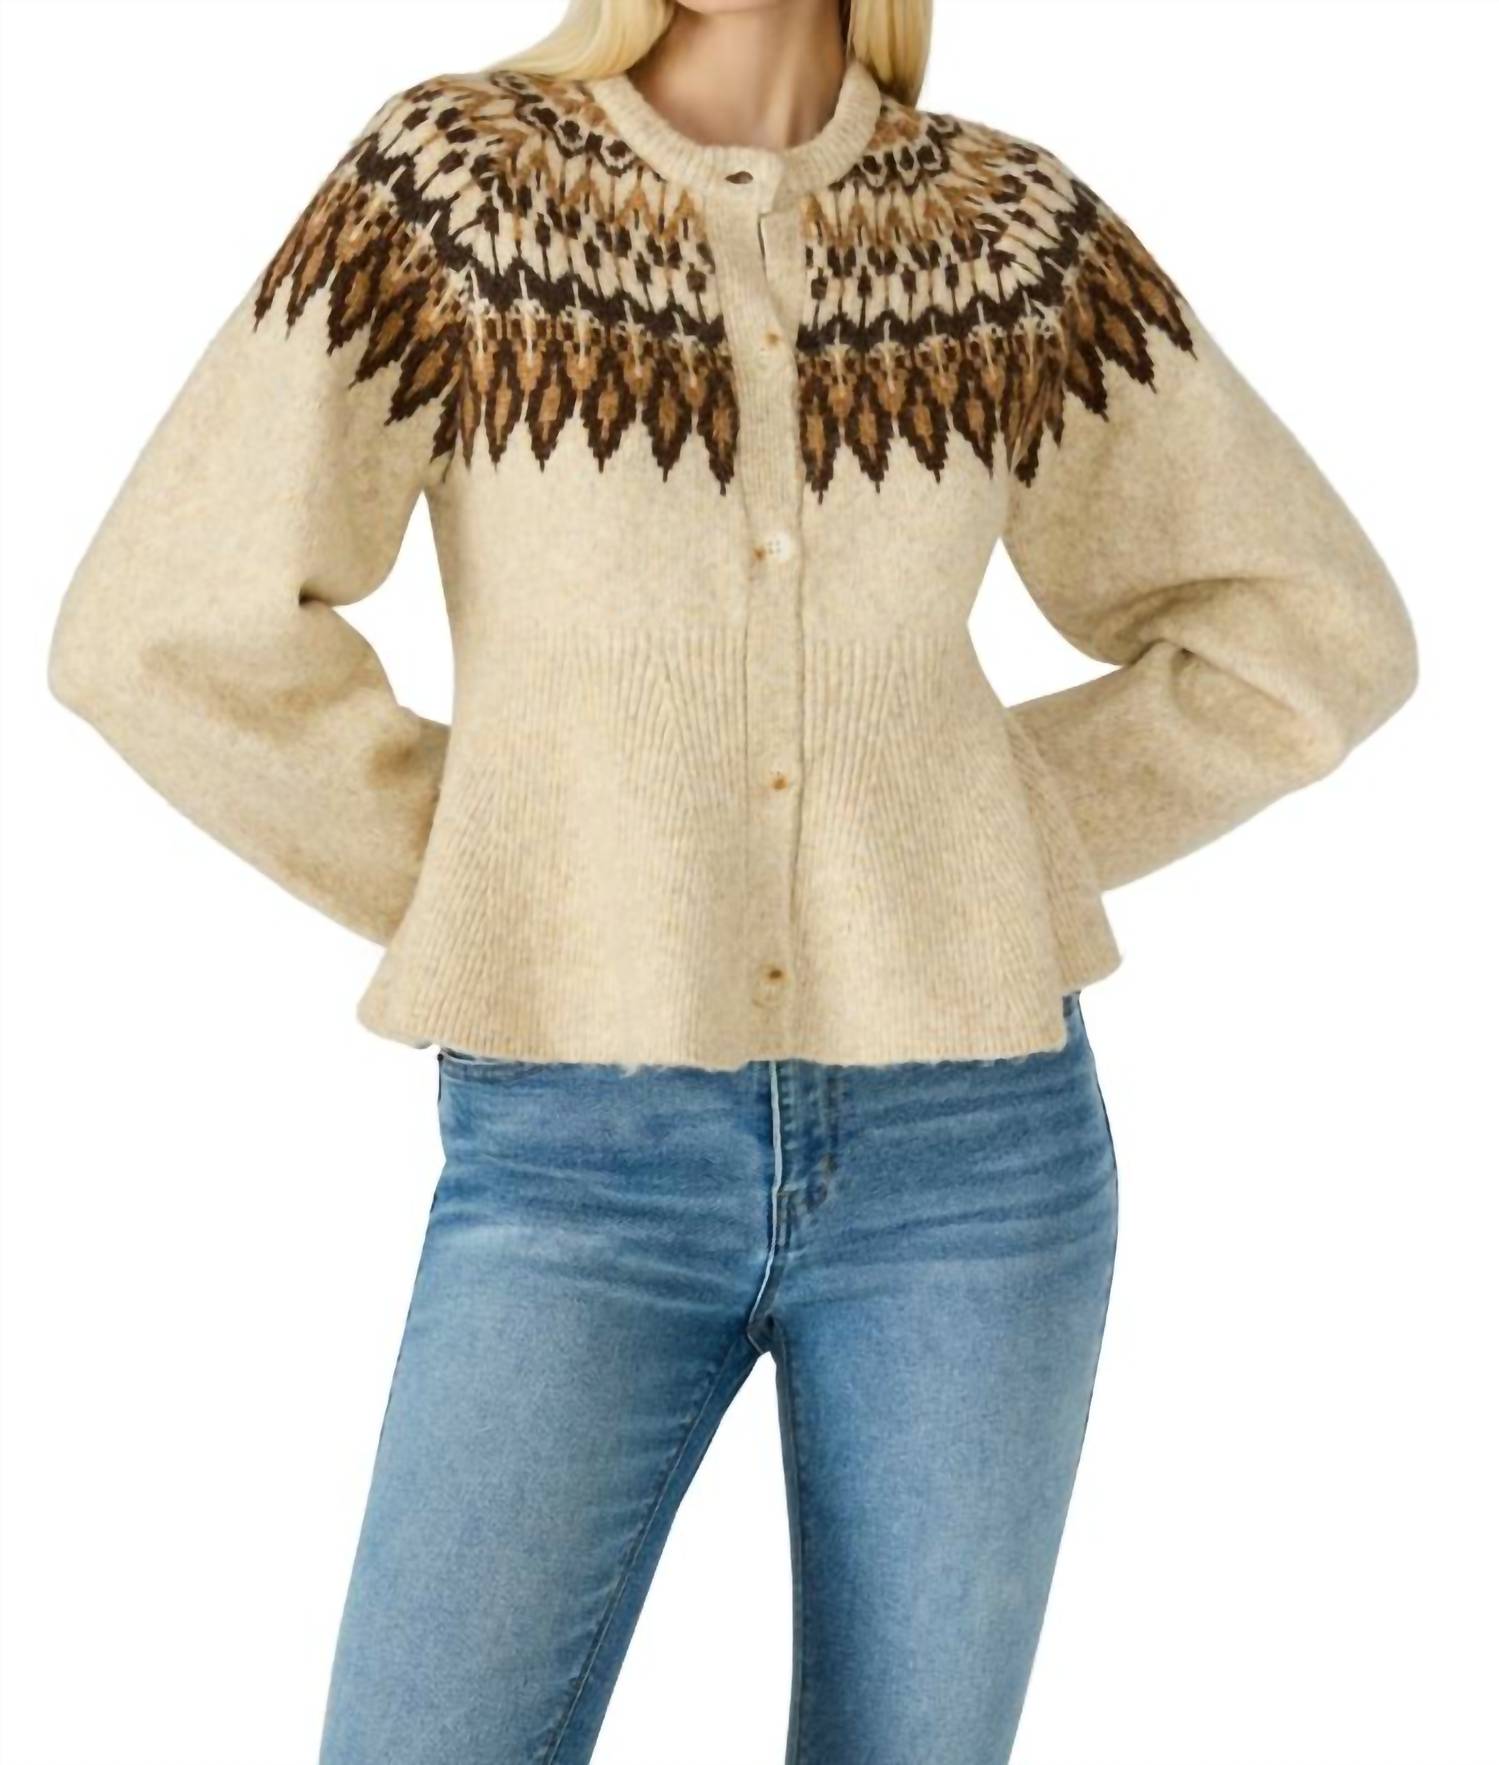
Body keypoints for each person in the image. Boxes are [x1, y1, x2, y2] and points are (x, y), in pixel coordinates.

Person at [44, 0, 1418, 1759]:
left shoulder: (1002, 230)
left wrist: (969, 857)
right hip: (579, 1153)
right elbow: (155, 633)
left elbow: (1313, 634)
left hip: (977, 1158)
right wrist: (518, 884)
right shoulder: (457, 189)